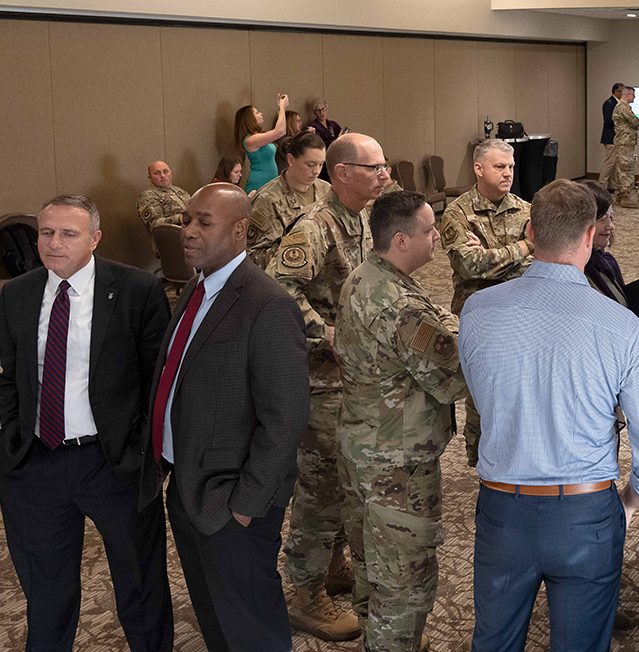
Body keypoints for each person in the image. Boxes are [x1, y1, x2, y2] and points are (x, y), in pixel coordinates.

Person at [459, 179, 639, 652]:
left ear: (531, 232)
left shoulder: (476, 310)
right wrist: (632, 503)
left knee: (493, 642)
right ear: (590, 233)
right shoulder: (621, 326)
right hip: (586, 513)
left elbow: (482, 398)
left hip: (501, 511)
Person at [0, 194, 174, 652]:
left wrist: (145, 453)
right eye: (46, 232)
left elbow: (159, 382)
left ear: (95, 238)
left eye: (68, 233)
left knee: (140, 585)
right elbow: (10, 379)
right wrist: (11, 440)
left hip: (113, 463)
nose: (53, 243)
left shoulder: (136, 291)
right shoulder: (18, 293)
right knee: (47, 591)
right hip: (36, 463)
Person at [143, 183, 308, 652]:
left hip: (233, 500)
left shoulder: (267, 303)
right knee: (216, 618)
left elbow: (286, 417)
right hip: (188, 485)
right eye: (186, 220)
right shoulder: (196, 287)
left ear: (240, 230)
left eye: (203, 222)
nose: (188, 232)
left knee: (251, 623)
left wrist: (244, 505)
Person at [267, 133, 390, 641]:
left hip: (352, 377)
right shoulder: (315, 226)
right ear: (342, 173)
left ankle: (332, 564)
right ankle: (304, 593)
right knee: (319, 491)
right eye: (374, 166)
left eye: (384, 166)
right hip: (320, 383)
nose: (384, 174)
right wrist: (327, 332)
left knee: (346, 481)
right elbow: (278, 287)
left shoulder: (360, 217)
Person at [334, 190, 470, 652]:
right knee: (404, 583)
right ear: (400, 239)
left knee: (372, 567)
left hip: (361, 444)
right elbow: (452, 379)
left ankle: (386, 638)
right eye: (429, 231)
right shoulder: (402, 305)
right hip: (397, 464)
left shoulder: (363, 276)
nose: (436, 238)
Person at [437, 138, 532, 467]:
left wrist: (492, 255)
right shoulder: (457, 213)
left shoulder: (525, 209)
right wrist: (523, 247)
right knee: (483, 398)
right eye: (499, 167)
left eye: (511, 167)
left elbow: (543, 264)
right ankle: (481, 460)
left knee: (520, 394)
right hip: (479, 322)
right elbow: (469, 266)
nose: (508, 173)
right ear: (479, 169)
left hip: (521, 319)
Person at [246, 132, 331, 267]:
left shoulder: (326, 190)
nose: (317, 171)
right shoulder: (268, 200)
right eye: (311, 164)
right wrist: (298, 250)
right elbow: (251, 257)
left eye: (321, 164)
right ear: (291, 160)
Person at [581, 180, 627, 306]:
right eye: (602, 219)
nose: (611, 226)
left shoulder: (603, 261)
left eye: (611, 217)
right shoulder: (580, 275)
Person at [235, 94, 290, 195]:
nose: (261, 113)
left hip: (270, 182)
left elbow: (281, 131)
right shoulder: (251, 140)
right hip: (259, 183)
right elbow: (280, 131)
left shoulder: (258, 136)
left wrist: (282, 109)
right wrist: (282, 107)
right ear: (250, 119)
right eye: (256, 113)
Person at [137, 161, 191, 231]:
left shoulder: (180, 191)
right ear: (150, 178)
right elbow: (155, 224)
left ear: (171, 174)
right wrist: (179, 218)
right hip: (173, 236)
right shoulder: (148, 196)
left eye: (165, 171)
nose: (162, 176)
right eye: (157, 173)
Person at [612, 85, 639, 207]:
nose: (634, 97)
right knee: (626, 168)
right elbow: (635, 122)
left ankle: (620, 196)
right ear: (627, 95)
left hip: (624, 141)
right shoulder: (623, 107)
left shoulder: (623, 106)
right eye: (633, 95)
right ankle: (625, 197)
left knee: (622, 168)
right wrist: (636, 121)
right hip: (624, 142)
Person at [601, 82, 625, 193]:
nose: (623, 93)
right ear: (616, 92)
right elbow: (608, 121)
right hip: (610, 137)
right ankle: (602, 186)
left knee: (615, 163)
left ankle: (612, 185)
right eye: (621, 91)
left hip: (616, 137)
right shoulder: (609, 103)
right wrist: (622, 120)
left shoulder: (618, 103)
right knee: (610, 162)